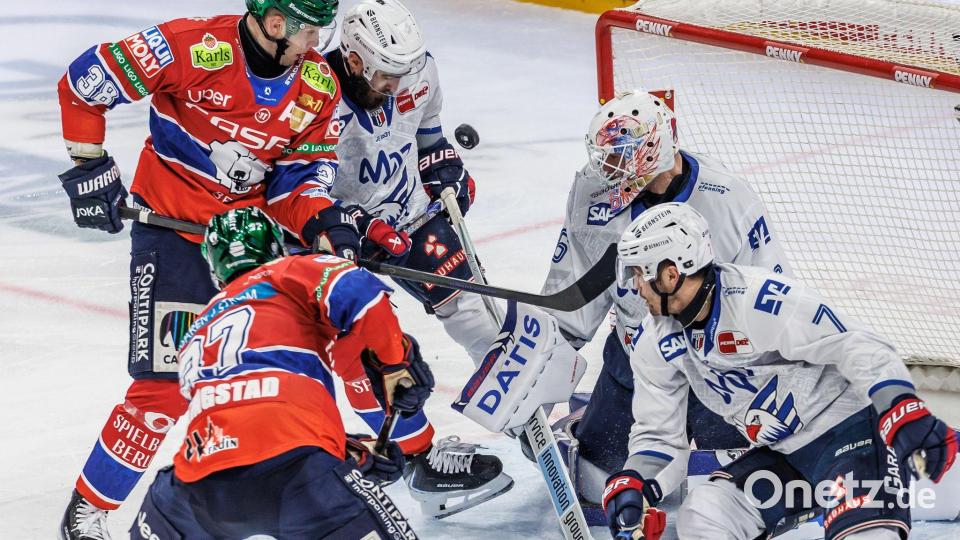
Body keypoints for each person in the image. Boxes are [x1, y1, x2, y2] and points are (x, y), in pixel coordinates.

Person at [56, 1, 410, 537]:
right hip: (173, 236)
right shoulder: (192, 46)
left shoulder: (315, 86)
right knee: (163, 388)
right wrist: (90, 165)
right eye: (310, 32)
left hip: (255, 251)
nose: (317, 46)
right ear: (274, 24)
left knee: (294, 363)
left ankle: (377, 453)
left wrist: (325, 225)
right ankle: (91, 507)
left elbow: (297, 183)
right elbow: (87, 81)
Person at [601, 202, 957, 540]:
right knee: (704, 513)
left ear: (669, 273)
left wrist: (900, 408)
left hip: (850, 436)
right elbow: (658, 436)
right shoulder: (653, 340)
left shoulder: (759, 300)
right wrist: (634, 481)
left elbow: (856, 344)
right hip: (786, 457)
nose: (635, 287)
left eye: (638, 274)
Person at [541, 89, 791, 500]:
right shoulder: (592, 189)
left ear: (655, 148)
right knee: (596, 487)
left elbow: (770, 297)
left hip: (716, 366)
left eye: (622, 155)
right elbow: (573, 291)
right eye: (607, 156)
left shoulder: (728, 198)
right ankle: (592, 415)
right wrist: (541, 373)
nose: (609, 168)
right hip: (636, 355)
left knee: (733, 494)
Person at [316, 0, 512, 517]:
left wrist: (441, 162)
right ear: (354, 60)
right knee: (366, 355)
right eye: (387, 74)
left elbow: (427, 132)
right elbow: (293, 184)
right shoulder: (312, 94)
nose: (399, 85)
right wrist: (351, 225)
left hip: (412, 217)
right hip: (337, 239)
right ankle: (414, 457)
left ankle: (528, 420)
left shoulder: (418, 70)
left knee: (480, 317)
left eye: (405, 72)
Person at [128, 206, 429, 539]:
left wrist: (350, 452)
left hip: (197, 486)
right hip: (299, 471)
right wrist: (394, 365)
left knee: (165, 502)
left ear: (214, 270)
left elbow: (242, 419)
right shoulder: (289, 270)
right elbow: (363, 296)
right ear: (276, 247)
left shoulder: (194, 331)